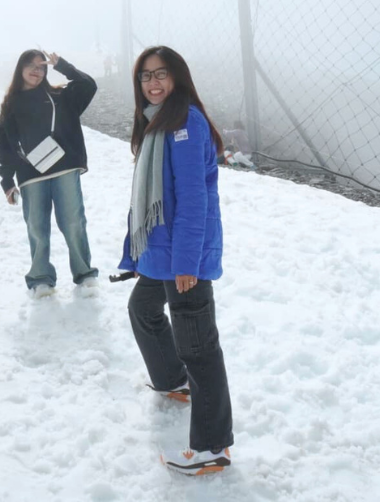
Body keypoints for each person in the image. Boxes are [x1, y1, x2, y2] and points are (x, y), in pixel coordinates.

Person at [118, 45, 233, 475]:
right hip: (163, 252)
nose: (153, 83)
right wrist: (137, 252)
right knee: (143, 308)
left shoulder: (185, 122)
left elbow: (192, 198)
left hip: (185, 255)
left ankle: (213, 447)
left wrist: (187, 263)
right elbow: (148, 196)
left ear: (177, 77)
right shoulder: (158, 121)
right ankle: (172, 379)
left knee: (198, 346)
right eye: (146, 76)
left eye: (161, 74)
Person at [0, 50, 99, 297]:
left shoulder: (60, 96)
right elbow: (5, 146)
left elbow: (89, 85)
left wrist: (62, 65)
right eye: (31, 66)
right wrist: (7, 181)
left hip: (65, 167)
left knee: (73, 221)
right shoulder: (10, 105)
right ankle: (41, 278)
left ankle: (85, 274)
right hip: (30, 174)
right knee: (37, 226)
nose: (37, 71)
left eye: (41, 67)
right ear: (20, 68)